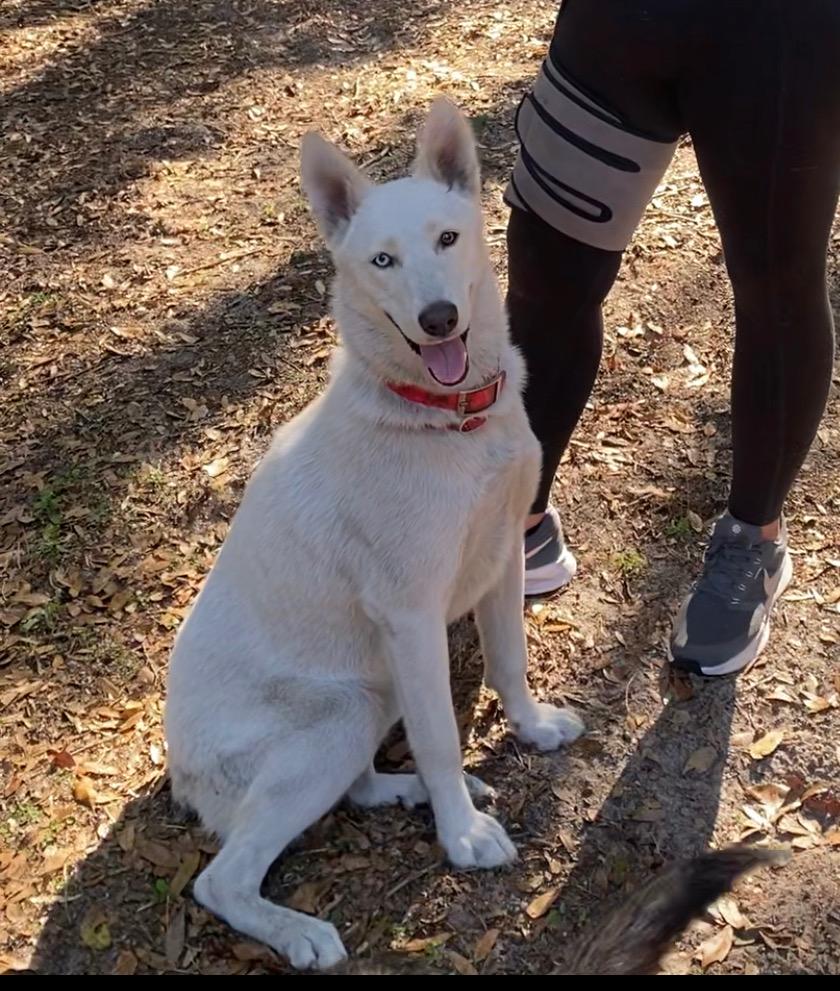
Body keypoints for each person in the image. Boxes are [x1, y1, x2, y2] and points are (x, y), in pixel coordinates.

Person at [506, 0, 840, 676]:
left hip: (785, 31)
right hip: (623, 23)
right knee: (547, 268)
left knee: (776, 286)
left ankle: (755, 538)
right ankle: (517, 520)